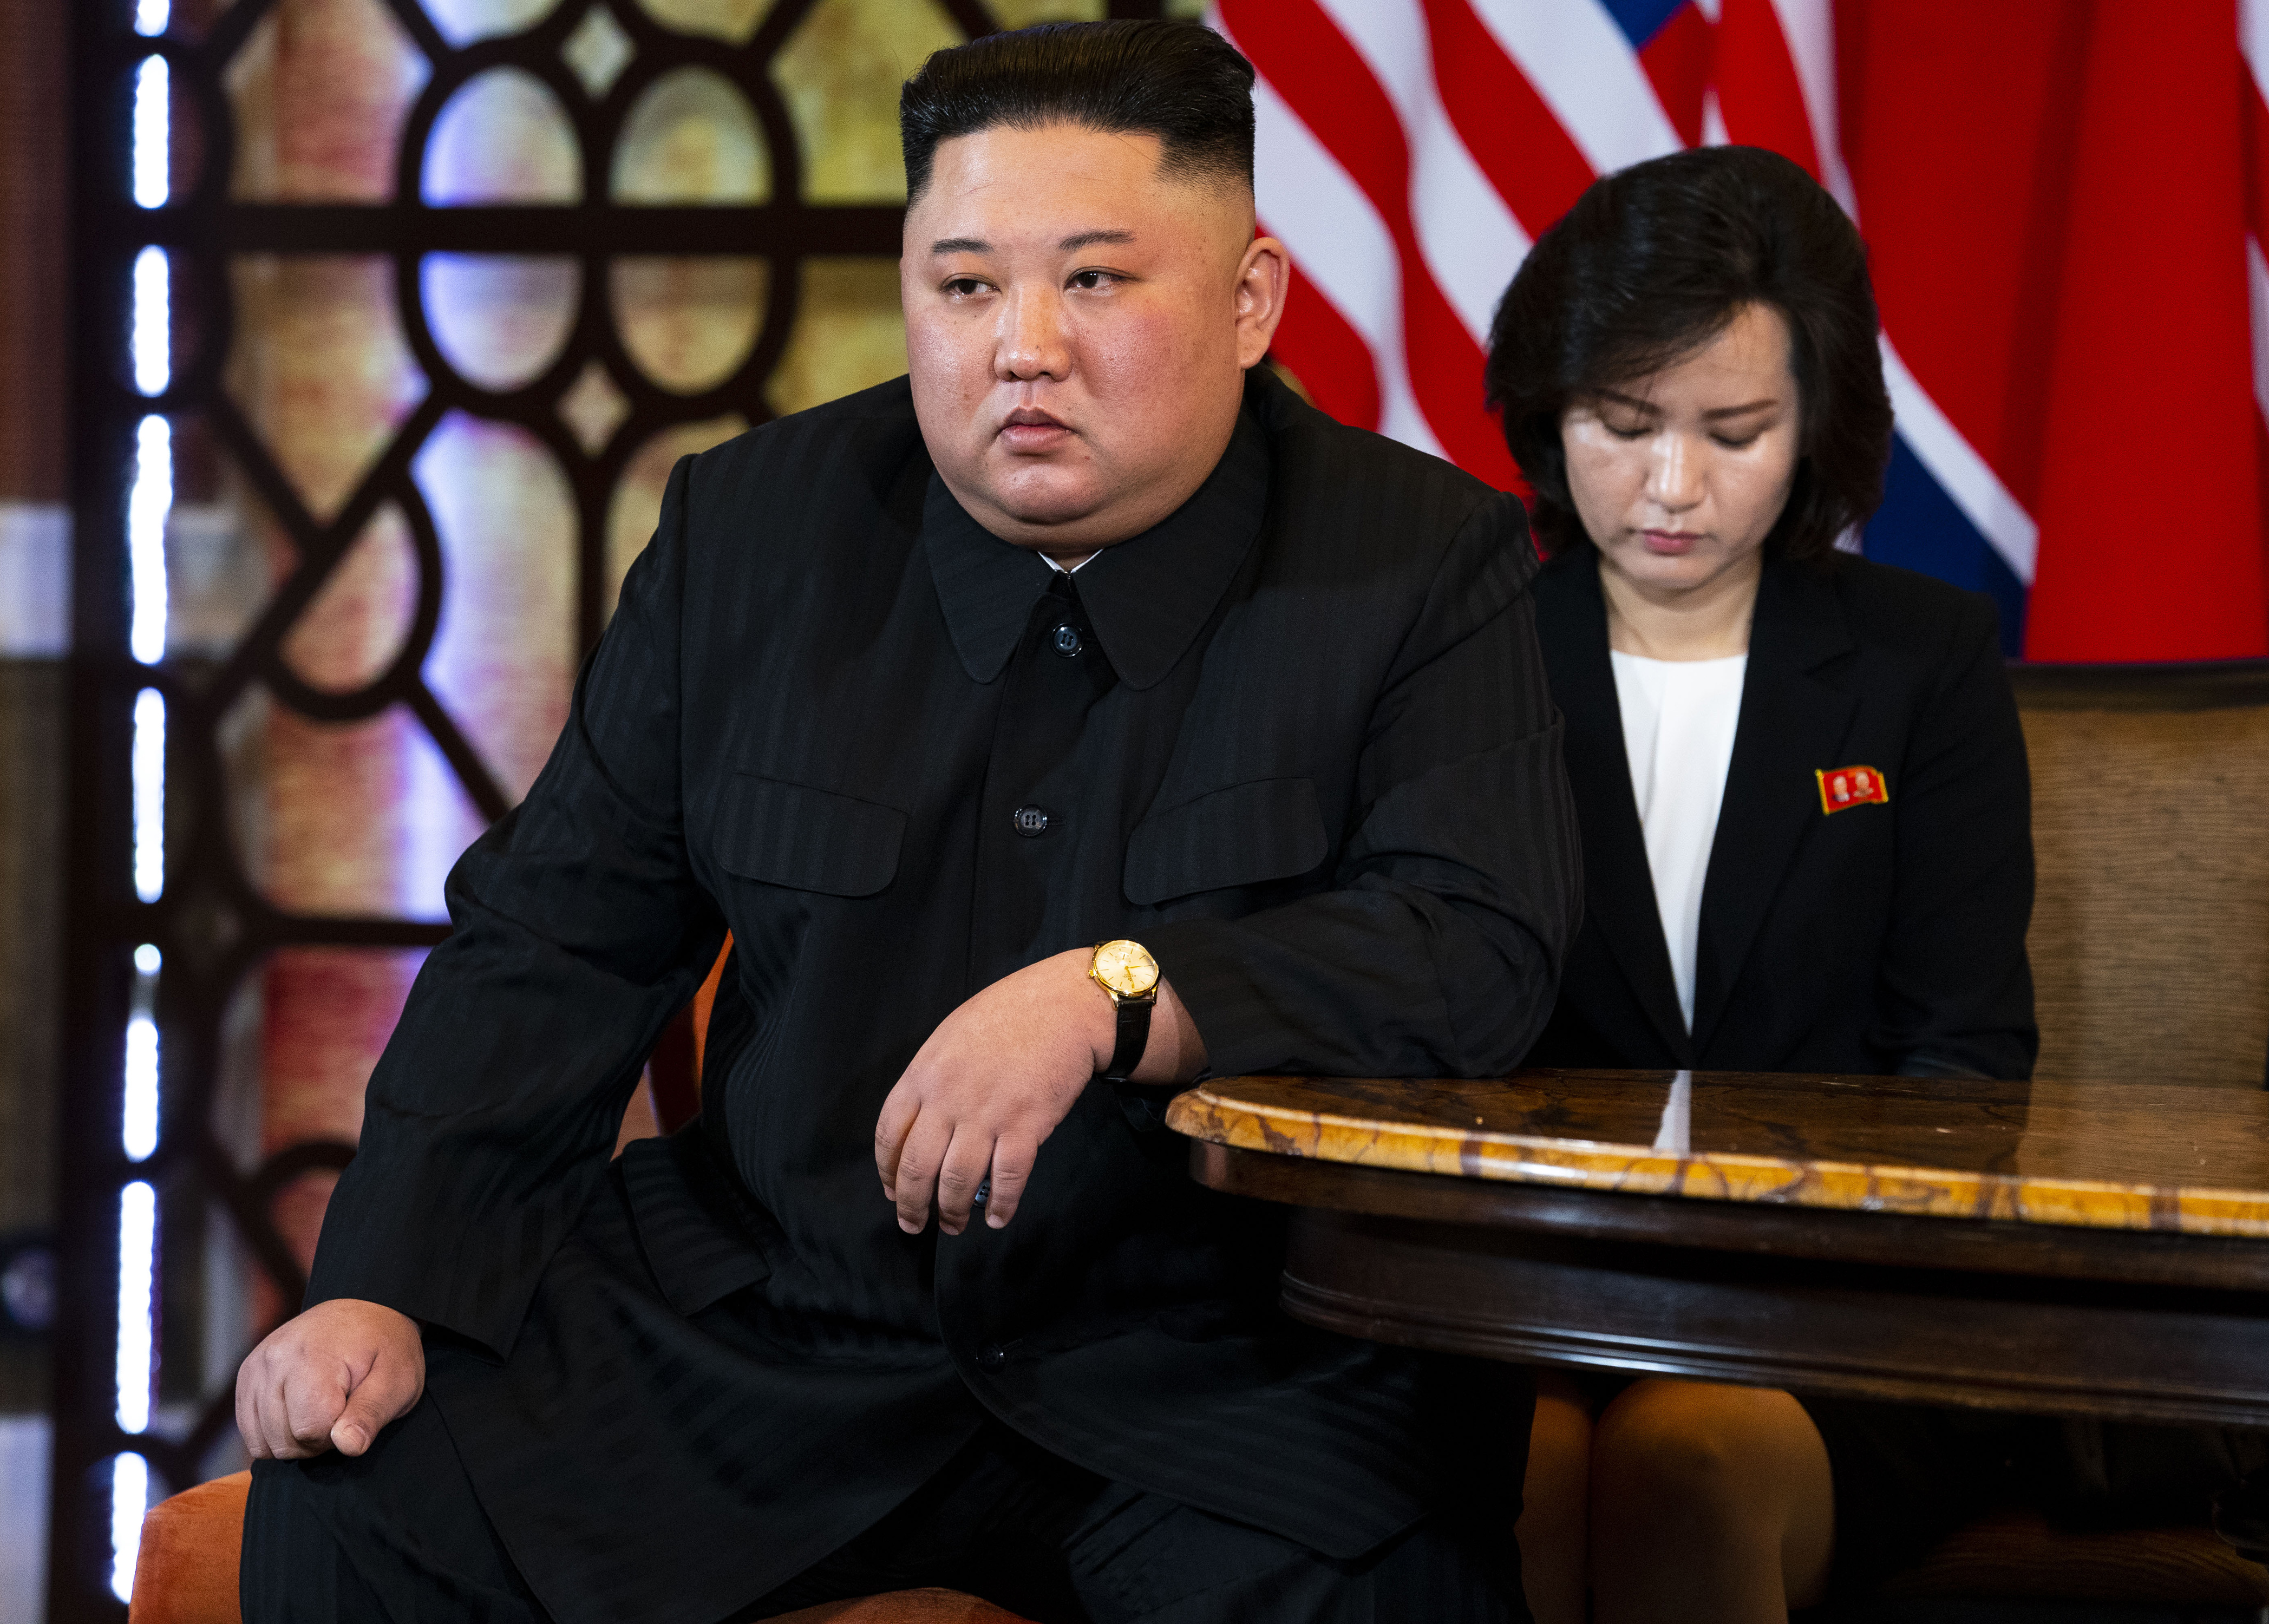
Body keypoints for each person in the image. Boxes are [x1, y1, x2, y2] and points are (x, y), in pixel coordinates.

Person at [234, 20, 1581, 1624]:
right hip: (781, 1328)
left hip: (1219, 1370)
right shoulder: (751, 529)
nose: (1023, 344)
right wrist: (389, 1279)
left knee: (1381, 1586)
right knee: (363, 1489)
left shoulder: (1422, 560)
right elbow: (556, 936)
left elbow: (1472, 942)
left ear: (1248, 302)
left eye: (1093, 281)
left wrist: (1119, 996)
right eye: (963, 285)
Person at [1482, 146, 2041, 1622]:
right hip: (1503, 1303)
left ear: (1817, 431)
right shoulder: (1452, 654)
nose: (1670, 487)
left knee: (1692, 1458)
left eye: (1733, 432)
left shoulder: (1921, 665)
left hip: (1842, 1320)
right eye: (1621, 423)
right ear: (1551, 412)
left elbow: (1963, 1064)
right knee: (1504, 1467)